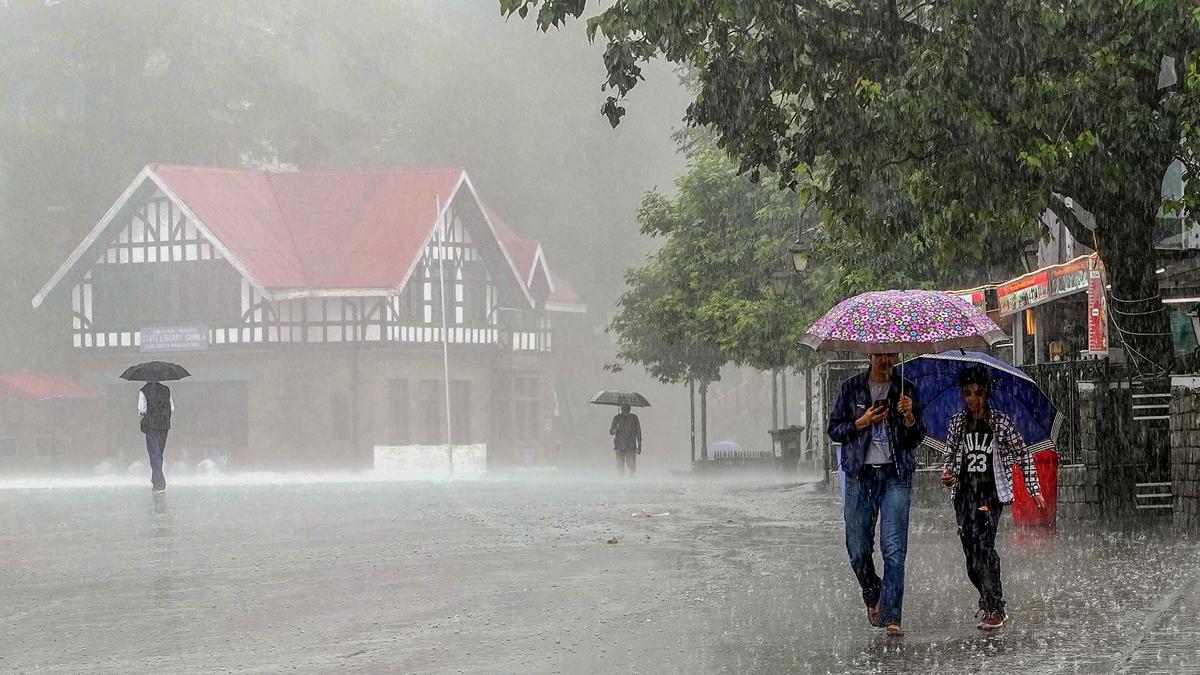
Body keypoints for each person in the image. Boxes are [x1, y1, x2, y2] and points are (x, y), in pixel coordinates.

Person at [939, 365, 1046, 630]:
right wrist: (948, 474)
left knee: (984, 547)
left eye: (977, 393)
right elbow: (949, 457)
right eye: (967, 394)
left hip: (990, 493)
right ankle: (986, 597)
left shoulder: (1001, 423)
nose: (972, 399)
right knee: (970, 554)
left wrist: (1035, 490)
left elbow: (1023, 455)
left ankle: (994, 606)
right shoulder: (957, 423)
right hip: (964, 495)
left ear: (986, 393)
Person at [828, 353, 926, 636]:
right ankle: (874, 594)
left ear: (896, 355)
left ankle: (892, 614)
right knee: (857, 548)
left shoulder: (907, 388)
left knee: (894, 549)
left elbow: (917, 437)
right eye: (879, 355)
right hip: (861, 475)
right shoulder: (852, 388)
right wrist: (862, 421)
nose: (886, 361)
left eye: (890, 355)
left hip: (896, 476)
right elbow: (834, 430)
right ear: (869, 356)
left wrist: (909, 417)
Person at [138, 381, 174, 493]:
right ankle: (156, 479)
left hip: (151, 425)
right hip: (164, 425)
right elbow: (172, 408)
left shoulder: (144, 390)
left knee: (154, 453)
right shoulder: (166, 389)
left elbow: (142, 409)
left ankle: (159, 482)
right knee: (159, 453)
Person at [609, 404, 642, 478]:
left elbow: (638, 431)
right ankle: (621, 481)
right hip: (619, 445)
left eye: (627, 409)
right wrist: (616, 429)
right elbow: (611, 431)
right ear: (621, 409)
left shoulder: (634, 418)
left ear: (629, 409)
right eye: (624, 409)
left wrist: (639, 444)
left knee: (632, 466)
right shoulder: (617, 418)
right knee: (620, 467)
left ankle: (631, 480)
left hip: (631, 446)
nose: (625, 410)